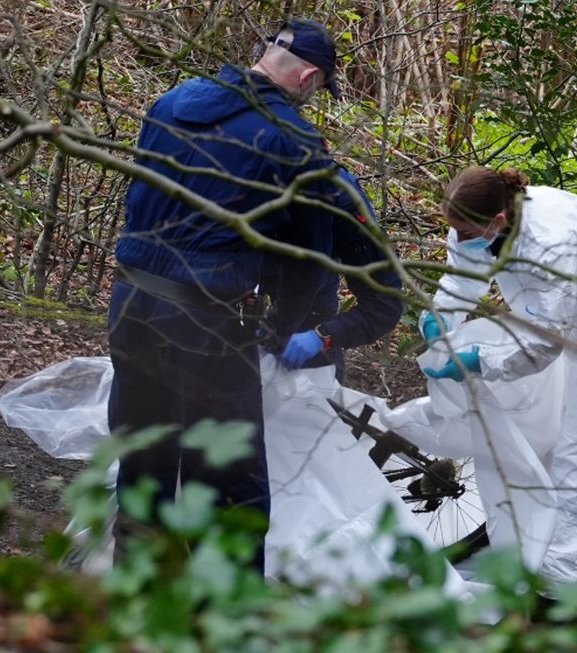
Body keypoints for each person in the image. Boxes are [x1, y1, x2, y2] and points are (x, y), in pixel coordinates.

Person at [107, 18, 345, 573]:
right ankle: (230, 617)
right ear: (308, 77)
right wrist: (282, 326)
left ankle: (140, 601)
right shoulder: (294, 140)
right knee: (230, 480)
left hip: (132, 304)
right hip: (207, 321)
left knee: (145, 461)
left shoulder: (173, 100)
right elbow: (307, 258)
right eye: (319, 89)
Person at [419, 165, 577, 585]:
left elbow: (541, 342)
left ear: (498, 219)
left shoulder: (551, 240)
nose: (458, 238)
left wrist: (478, 359)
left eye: (465, 231)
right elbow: (463, 276)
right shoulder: (475, 224)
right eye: (454, 229)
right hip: (573, 315)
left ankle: (557, 588)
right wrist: (441, 318)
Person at [267, 166, 403, 380]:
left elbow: (385, 304)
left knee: (316, 380)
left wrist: (323, 335)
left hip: (316, 287)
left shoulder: (345, 207)